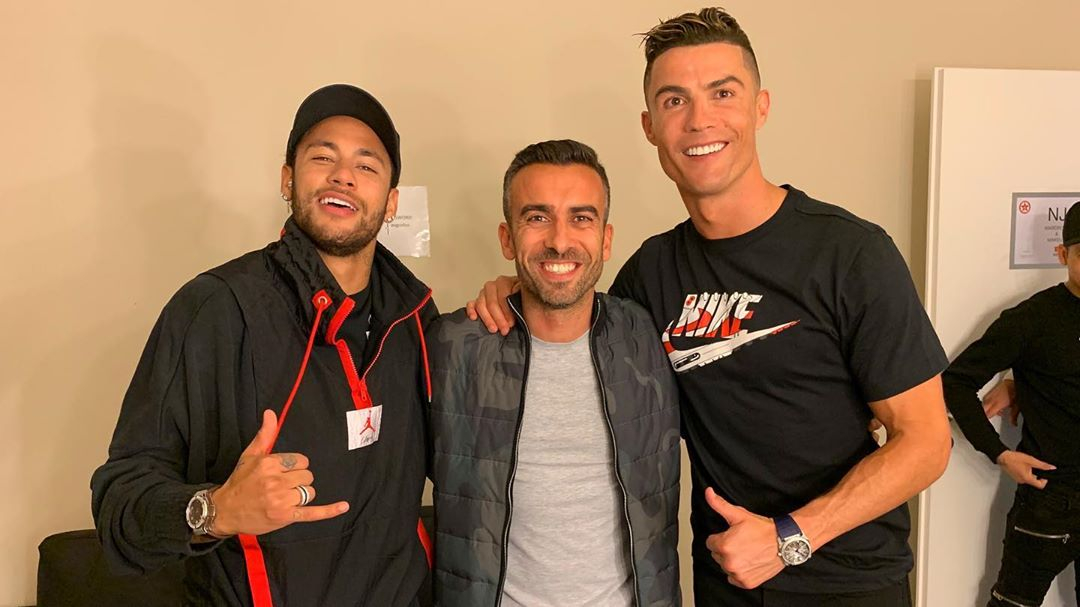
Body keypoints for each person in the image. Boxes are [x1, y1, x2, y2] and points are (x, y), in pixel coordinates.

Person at [466, 8, 952, 606]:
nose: (700, 119)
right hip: (727, 584)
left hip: (849, 582)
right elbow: (577, 327)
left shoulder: (849, 252)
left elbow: (926, 442)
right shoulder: (650, 272)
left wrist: (791, 537)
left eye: (722, 93)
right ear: (650, 126)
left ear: (760, 106)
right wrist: (513, 286)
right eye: (674, 101)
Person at [91, 84, 438, 606]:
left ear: (390, 203)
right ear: (287, 179)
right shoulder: (215, 309)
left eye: (366, 165)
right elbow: (119, 502)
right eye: (322, 156)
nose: (343, 174)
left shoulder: (417, 317)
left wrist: (514, 301)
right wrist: (216, 510)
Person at [428, 140, 681, 606]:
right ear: (507, 238)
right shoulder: (448, 347)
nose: (560, 241)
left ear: (606, 239)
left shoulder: (651, 335)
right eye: (537, 217)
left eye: (581, 218)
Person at [943, 201, 1080, 607]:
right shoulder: (1032, 319)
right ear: (1062, 254)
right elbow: (955, 382)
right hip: (1051, 501)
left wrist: (1016, 383)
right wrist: (1000, 453)